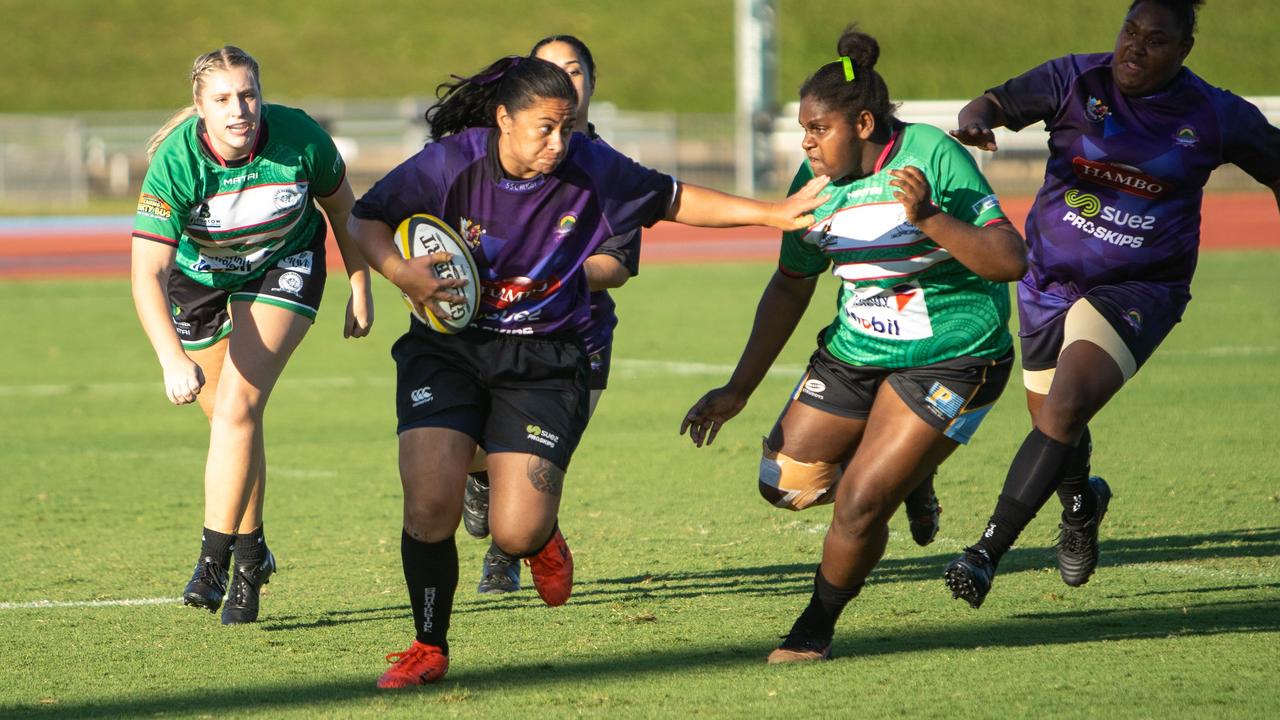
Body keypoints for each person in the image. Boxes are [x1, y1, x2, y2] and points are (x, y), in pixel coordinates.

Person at [349, 54, 828, 688]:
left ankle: (540, 538)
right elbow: (366, 218)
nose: (558, 142)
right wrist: (399, 271)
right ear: (503, 120)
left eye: (566, 127)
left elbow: (675, 198)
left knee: (515, 533)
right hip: (449, 349)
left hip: (546, 359)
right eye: (544, 127)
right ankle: (428, 645)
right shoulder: (452, 162)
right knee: (429, 505)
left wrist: (770, 213)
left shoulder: (591, 167)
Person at [680, 25, 1026, 664]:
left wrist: (928, 219)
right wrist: (737, 390)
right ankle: (912, 481)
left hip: (953, 354)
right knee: (785, 484)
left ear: (864, 122)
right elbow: (789, 286)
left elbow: (1010, 260)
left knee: (863, 501)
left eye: (818, 129)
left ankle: (814, 627)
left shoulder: (931, 155)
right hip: (856, 350)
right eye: (802, 130)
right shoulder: (813, 187)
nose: (805, 143)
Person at [944, 0, 1280, 608]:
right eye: (1130, 31)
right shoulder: (1078, 79)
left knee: (1066, 404)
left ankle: (986, 551)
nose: (1135, 47)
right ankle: (1081, 504)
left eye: (1155, 40)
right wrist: (975, 120)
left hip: (1141, 288)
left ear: (1184, 51)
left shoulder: (1215, 113)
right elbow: (992, 103)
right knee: (1053, 424)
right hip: (1047, 279)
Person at [130, 47, 373, 625]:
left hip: (283, 263)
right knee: (230, 423)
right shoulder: (176, 161)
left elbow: (344, 211)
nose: (239, 110)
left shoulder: (299, 137)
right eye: (222, 99)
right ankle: (252, 552)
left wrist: (360, 283)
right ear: (199, 107)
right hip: (199, 279)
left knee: (239, 404)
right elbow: (147, 272)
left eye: (247, 95)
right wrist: (170, 358)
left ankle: (214, 562)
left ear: (260, 95)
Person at [459, 35, 644, 596]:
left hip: (575, 338)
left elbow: (618, 262)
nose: (565, 80)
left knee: (540, 457)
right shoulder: (489, 155)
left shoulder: (608, 170)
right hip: (491, 331)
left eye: (575, 71)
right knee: (467, 445)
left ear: (591, 82)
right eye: (549, 70)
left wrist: (556, 274)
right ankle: (480, 478)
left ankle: (507, 554)